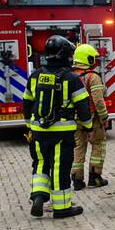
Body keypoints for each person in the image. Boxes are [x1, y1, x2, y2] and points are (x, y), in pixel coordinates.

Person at [22, 36, 93, 219]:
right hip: (62, 133)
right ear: (64, 55)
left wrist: (30, 125)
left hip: (38, 131)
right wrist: (88, 126)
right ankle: (62, 208)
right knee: (60, 167)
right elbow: (83, 105)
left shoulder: (35, 75)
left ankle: (38, 196)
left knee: (40, 164)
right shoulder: (71, 77)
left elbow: (27, 102)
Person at [70, 43, 109, 190]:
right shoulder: (93, 77)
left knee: (78, 147)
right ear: (88, 59)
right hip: (93, 119)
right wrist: (104, 117)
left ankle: (77, 180)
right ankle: (95, 177)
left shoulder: (70, 76)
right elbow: (98, 101)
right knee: (98, 144)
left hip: (75, 119)